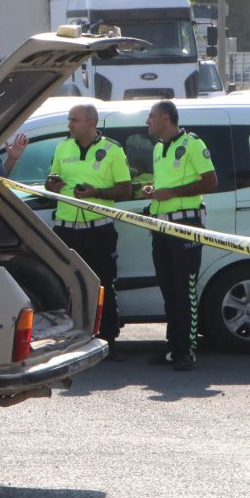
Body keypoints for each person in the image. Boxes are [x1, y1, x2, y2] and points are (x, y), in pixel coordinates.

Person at [45, 104, 132, 352]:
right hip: (66, 228)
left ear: (91, 123)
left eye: (74, 120)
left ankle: (107, 339)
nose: (69, 124)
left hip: (99, 230)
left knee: (103, 283)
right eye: (69, 119)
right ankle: (73, 339)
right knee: (67, 285)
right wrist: (52, 183)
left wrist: (97, 193)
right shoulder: (62, 147)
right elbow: (51, 181)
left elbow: (125, 190)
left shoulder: (112, 150)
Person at [143, 100, 218, 371]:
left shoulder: (192, 143)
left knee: (184, 291)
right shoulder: (159, 147)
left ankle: (186, 350)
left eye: (151, 117)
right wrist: (155, 191)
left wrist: (173, 193)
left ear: (165, 117)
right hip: (161, 226)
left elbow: (211, 181)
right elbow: (169, 184)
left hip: (185, 226)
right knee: (168, 291)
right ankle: (173, 348)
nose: (147, 122)